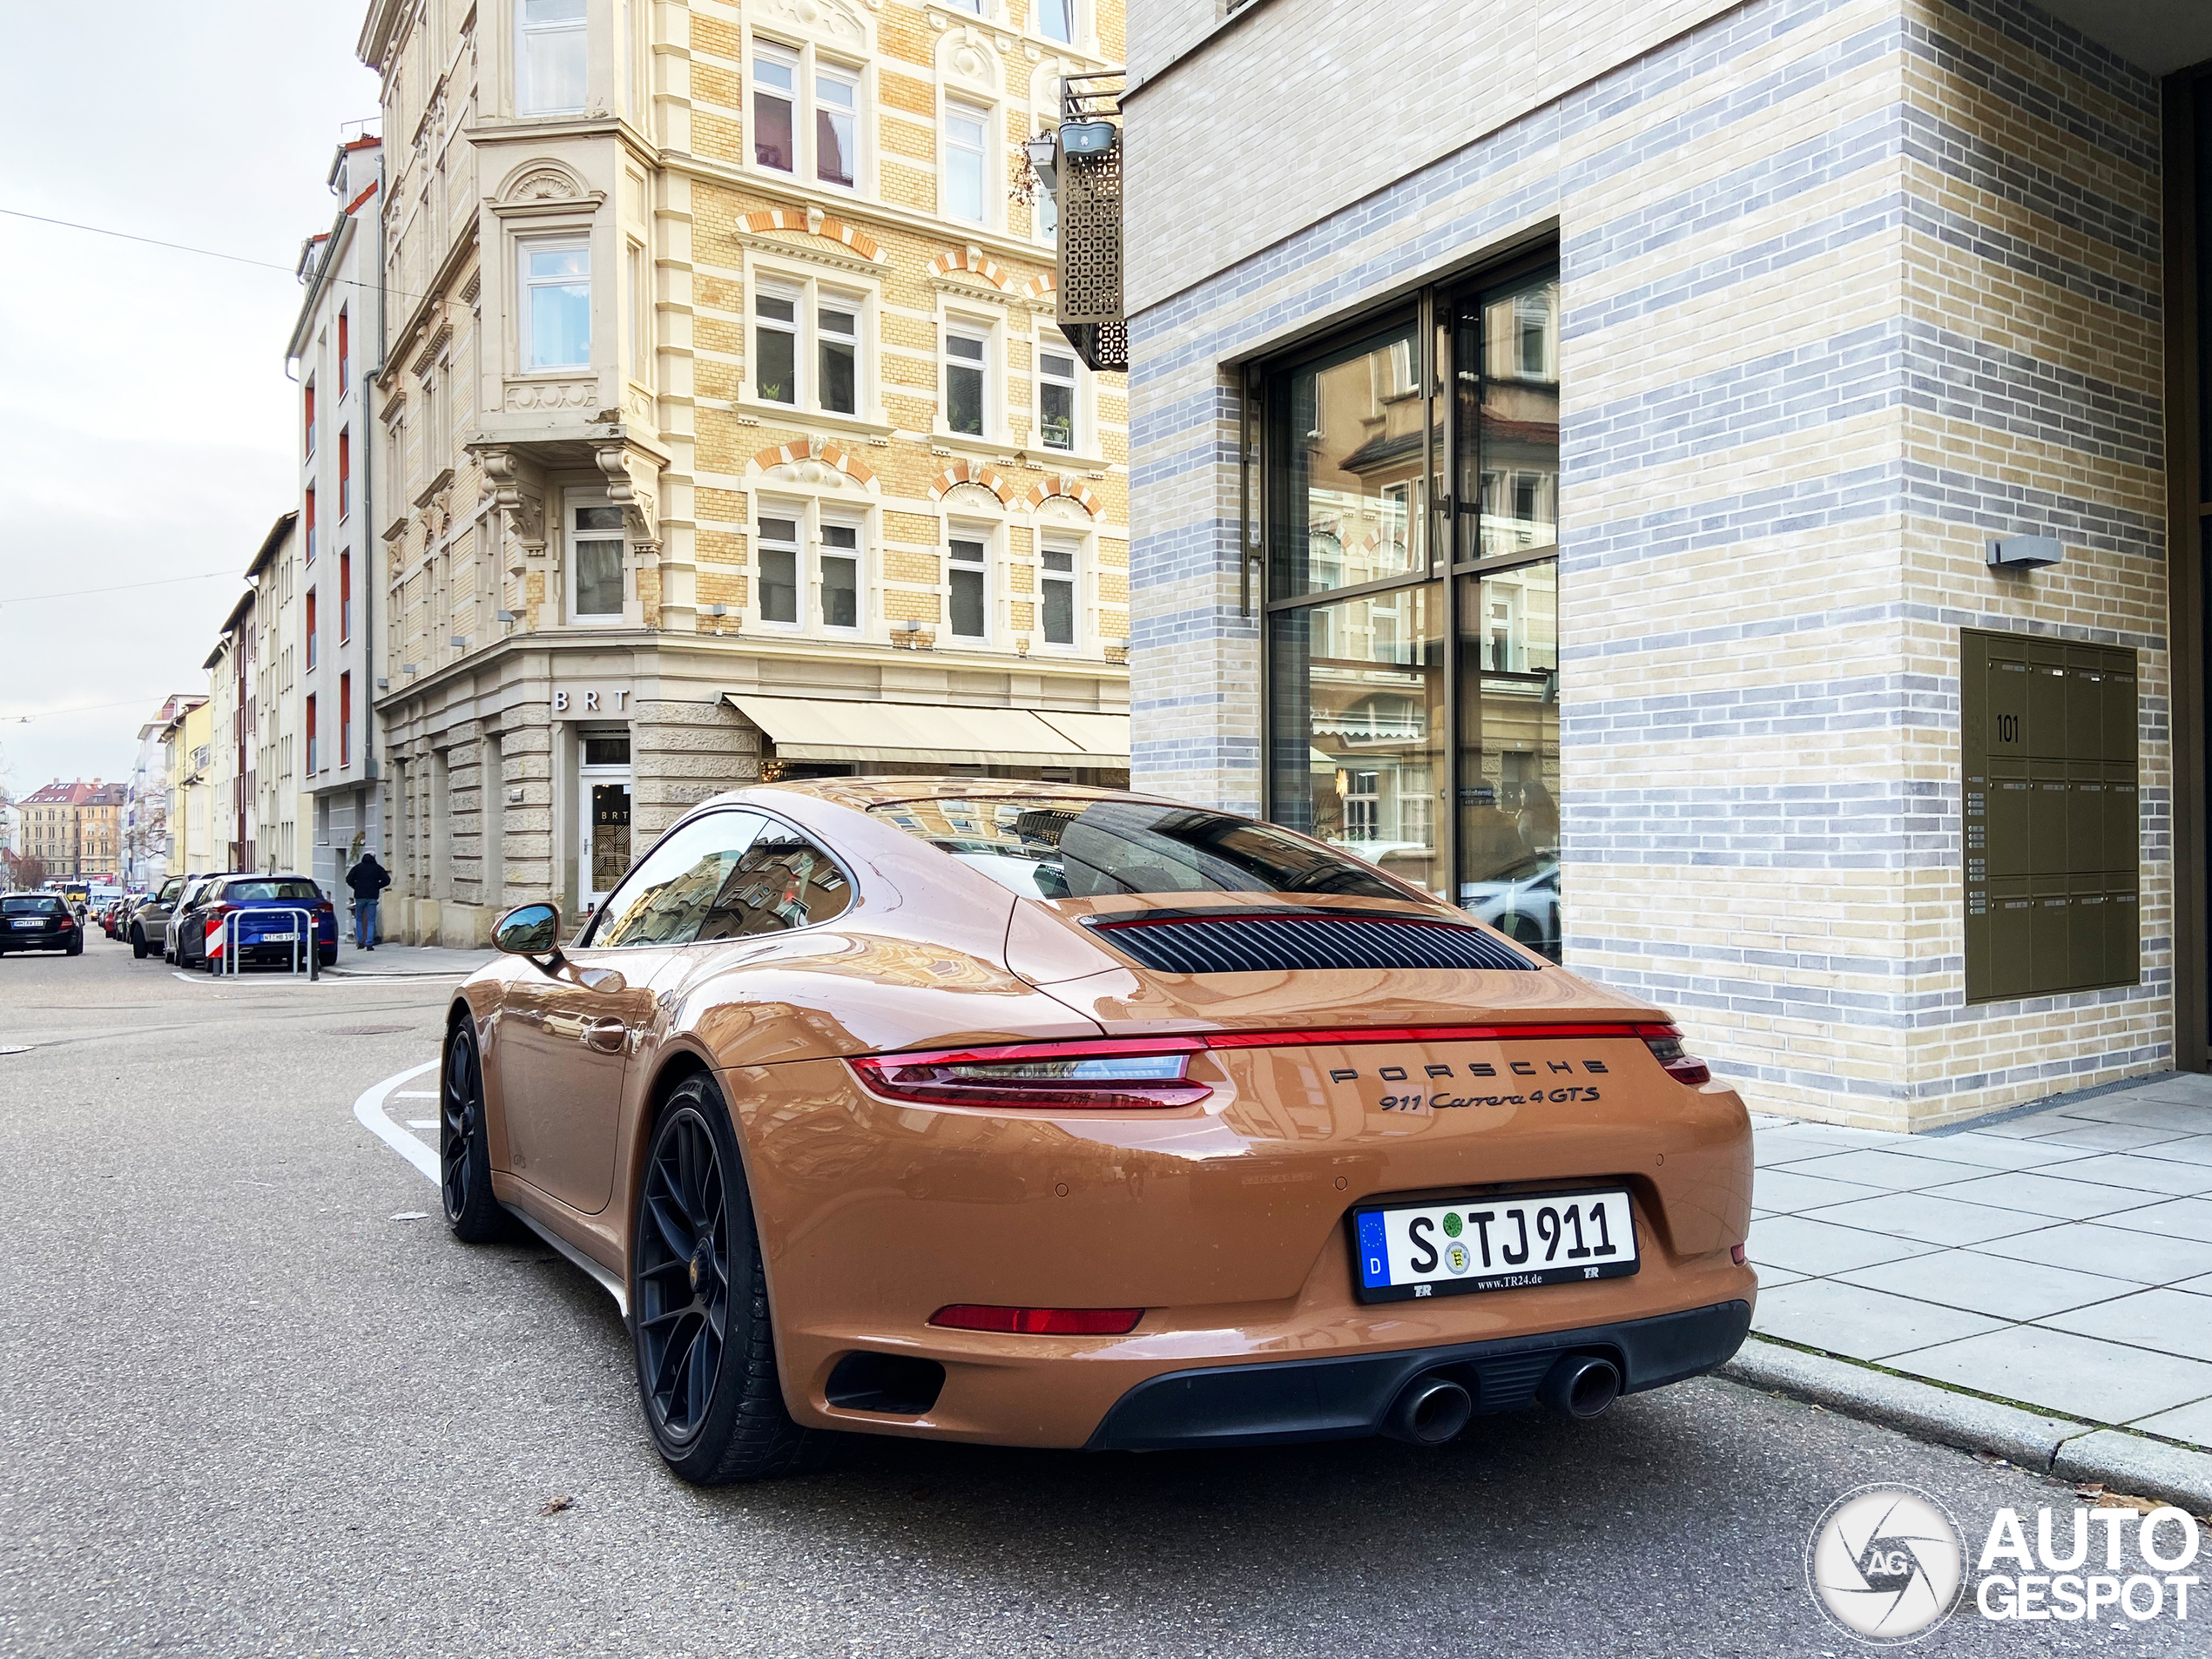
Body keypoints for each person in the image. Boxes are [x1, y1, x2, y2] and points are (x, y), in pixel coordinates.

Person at [346, 850, 392, 950]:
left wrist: (356, 887)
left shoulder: (358, 868)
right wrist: (377, 886)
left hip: (360, 897)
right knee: (371, 920)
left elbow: (348, 879)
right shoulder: (377, 868)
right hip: (372, 897)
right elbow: (387, 880)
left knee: (359, 919)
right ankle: (369, 943)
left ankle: (360, 941)